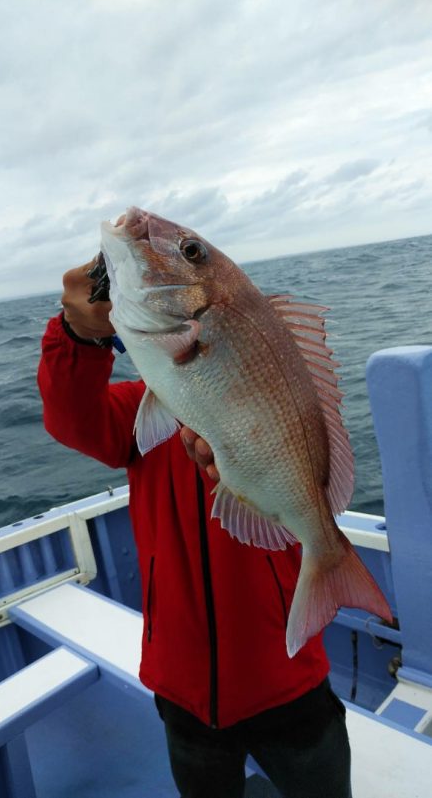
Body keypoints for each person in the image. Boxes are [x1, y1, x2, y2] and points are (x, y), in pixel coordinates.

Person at [37, 259, 352, 798]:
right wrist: (77, 334)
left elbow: (308, 438)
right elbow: (71, 417)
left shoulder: (269, 390)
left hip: (289, 678)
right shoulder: (141, 411)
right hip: (182, 691)